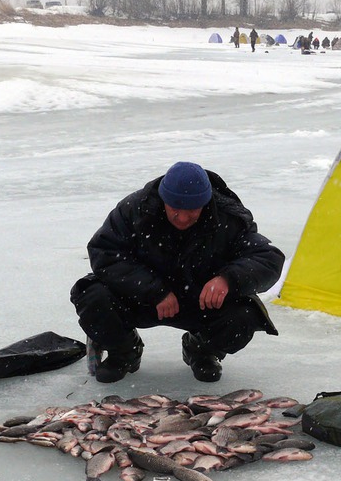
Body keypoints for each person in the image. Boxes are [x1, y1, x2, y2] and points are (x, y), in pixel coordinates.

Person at [70, 162, 285, 384]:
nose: (182, 218)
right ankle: (124, 351)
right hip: (142, 299)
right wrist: (153, 290)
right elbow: (104, 253)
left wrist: (228, 279)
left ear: (206, 203)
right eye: (175, 209)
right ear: (164, 199)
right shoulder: (135, 209)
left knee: (245, 313)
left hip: (201, 302)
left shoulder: (228, 217)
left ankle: (201, 349)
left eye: (192, 210)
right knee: (92, 295)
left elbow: (268, 258)